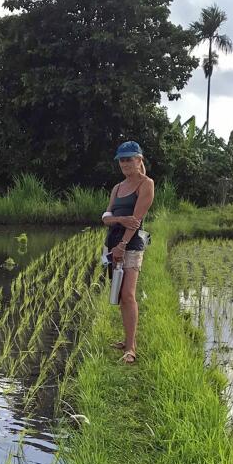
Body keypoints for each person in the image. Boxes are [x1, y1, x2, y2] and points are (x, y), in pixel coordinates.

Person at [101, 140, 155, 364]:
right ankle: (126, 340)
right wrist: (119, 219)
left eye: (129, 159)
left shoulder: (146, 184)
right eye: (121, 160)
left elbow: (136, 221)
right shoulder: (117, 188)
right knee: (119, 292)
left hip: (130, 245)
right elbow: (105, 218)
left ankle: (131, 348)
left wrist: (122, 245)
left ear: (139, 159)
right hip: (112, 243)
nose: (124, 163)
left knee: (128, 294)